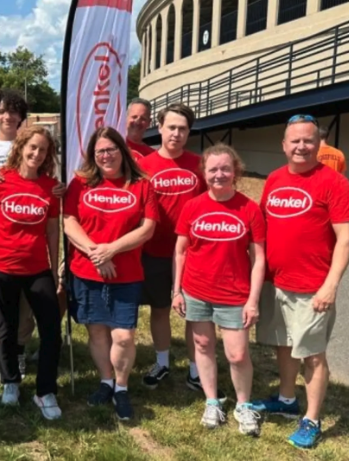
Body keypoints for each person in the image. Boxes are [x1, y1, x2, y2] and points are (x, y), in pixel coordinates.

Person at [252, 114, 349, 449]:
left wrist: (331, 285)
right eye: (294, 141)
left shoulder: (335, 183)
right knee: (284, 344)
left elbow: (346, 239)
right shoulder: (274, 179)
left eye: (308, 140)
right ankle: (286, 400)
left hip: (312, 287)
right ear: (284, 145)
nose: (301, 146)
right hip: (274, 282)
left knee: (313, 355)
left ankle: (311, 419)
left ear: (319, 144)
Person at [63, 126, 158, 421]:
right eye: (100, 151)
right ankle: (106, 381)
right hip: (86, 270)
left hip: (126, 273)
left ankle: (121, 387)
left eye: (111, 149)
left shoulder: (142, 184)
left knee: (124, 336)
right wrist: (96, 253)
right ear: (93, 155)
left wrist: (111, 250)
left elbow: (148, 227)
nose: (106, 155)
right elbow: (68, 221)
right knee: (97, 331)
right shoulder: (80, 182)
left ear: (122, 151)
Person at [171, 144, 265, 435]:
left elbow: (259, 258)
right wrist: (177, 290)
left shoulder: (249, 208)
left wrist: (252, 301)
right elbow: (181, 251)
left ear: (236, 171)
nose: (219, 174)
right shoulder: (192, 206)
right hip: (197, 290)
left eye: (225, 168)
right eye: (213, 169)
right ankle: (212, 400)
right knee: (202, 345)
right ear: (204, 173)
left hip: (235, 296)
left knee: (237, 355)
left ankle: (243, 405)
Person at [136, 103, 216, 398]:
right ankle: (162, 362)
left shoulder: (199, 164)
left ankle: (195, 370)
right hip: (155, 251)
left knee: (195, 314)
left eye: (183, 128)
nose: (177, 133)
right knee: (160, 309)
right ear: (159, 127)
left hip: (194, 253)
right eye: (171, 127)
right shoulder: (144, 166)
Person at [0, 126, 63, 419]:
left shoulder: (50, 187)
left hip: (37, 268)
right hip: (2, 267)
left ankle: (45, 392)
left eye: (43, 150)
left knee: (51, 329)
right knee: (7, 328)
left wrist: (54, 269)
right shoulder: (0, 180)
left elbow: (53, 229)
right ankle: (10, 382)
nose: (36, 154)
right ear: (20, 147)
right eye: (32, 148)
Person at [0, 89, 37, 378]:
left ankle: (19, 350)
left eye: (13, 111)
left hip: (29, 240)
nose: (7, 116)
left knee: (25, 306)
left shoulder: (33, 146)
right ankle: (3, 354)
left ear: (21, 116)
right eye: (1, 111)